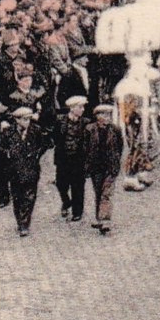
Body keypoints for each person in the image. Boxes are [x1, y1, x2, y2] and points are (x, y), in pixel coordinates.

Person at [2, 105, 45, 237]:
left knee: (29, 197)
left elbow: (45, 144)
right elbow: (0, 146)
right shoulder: (9, 132)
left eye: (29, 119)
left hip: (31, 168)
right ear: (17, 120)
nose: (27, 122)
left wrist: (36, 155)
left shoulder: (36, 131)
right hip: (15, 170)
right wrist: (8, 154)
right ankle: (20, 220)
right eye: (24, 119)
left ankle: (24, 224)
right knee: (17, 197)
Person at [85, 102, 124, 235]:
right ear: (97, 116)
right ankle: (99, 218)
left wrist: (116, 161)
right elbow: (85, 148)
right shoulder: (89, 130)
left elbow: (120, 146)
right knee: (98, 193)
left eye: (109, 115)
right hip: (96, 167)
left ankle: (105, 220)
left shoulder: (115, 129)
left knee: (106, 194)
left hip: (110, 166)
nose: (107, 117)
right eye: (104, 115)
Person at [53, 95, 90, 221]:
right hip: (63, 159)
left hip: (78, 160)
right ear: (72, 108)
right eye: (80, 107)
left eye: (83, 107)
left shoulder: (86, 123)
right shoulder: (60, 121)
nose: (82, 109)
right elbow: (56, 137)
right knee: (61, 184)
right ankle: (66, 201)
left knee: (78, 185)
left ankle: (77, 211)